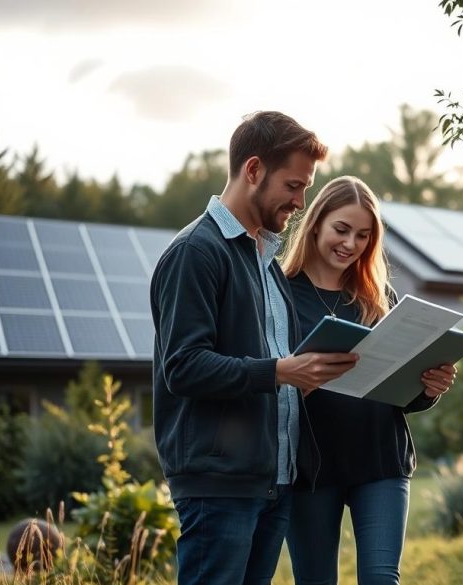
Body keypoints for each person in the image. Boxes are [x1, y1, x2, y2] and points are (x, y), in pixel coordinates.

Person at [150, 111, 360, 585]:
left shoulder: (266, 261)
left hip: (271, 481)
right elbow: (183, 367)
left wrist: (311, 375)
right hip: (218, 484)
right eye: (293, 185)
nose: (301, 201)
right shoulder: (196, 253)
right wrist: (282, 372)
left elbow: (273, 366)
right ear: (253, 171)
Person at [281, 176, 458, 585]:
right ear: (316, 223)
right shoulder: (281, 292)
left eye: (363, 235)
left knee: (381, 579)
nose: (351, 244)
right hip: (311, 467)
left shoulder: (379, 297)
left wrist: (429, 386)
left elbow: (403, 392)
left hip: (380, 461)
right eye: (342, 230)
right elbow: (271, 373)